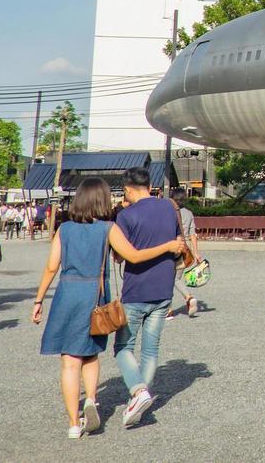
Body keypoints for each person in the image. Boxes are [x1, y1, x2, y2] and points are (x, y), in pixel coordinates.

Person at [32, 177, 184, 440]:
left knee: (69, 361)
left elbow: (51, 267)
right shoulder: (108, 228)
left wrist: (38, 300)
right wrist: (168, 247)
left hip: (68, 293)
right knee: (91, 354)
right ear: (102, 200)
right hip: (95, 294)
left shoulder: (64, 229)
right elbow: (134, 255)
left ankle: (73, 423)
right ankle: (92, 399)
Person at [113, 166, 182, 428]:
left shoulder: (126, 215)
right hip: (164, 287)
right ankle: (140, 397)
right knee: (151, 349)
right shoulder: (168, 207)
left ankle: (138, 391)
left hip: (137, 288)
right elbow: (174, 239)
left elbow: (125, 254)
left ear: (129, 189)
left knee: (123, 347)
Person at [169, 188, 200, 319]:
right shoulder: (189, 213)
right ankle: (187, 298)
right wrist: (196, 253)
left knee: (169, 279)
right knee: (176, 278)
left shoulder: (169, 212)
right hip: (184, 249)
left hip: (171, 247)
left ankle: (170, 309)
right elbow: (193, 234)